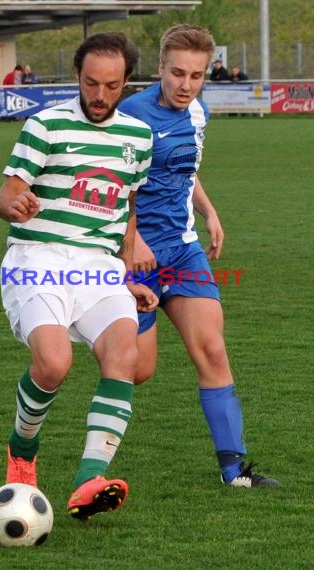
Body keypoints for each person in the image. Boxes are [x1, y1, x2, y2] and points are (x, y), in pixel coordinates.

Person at [0, 31, 158, 521]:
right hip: (37, 257)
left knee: (123, 353)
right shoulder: (45, 124)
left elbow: (127, 208)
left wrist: (127, 270)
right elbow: (6, 193)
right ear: (78, 77)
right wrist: (12, 205)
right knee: (53, 364)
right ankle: (23, 449)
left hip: (100, 269)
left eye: (111, 85)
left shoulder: (138, 137)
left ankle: (90, 479)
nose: (100, 95)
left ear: (127, 82)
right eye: (91, 83)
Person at [118, 24, 279, 488]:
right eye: (177, 74)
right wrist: (133, 242)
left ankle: (235, 472)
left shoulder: (198, 113)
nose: (185, 85)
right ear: (160, 69)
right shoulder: (131, 115)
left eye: (196, 75)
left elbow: (185, 172)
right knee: (138, 371)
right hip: (136, 260)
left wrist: (209, 211)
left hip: (184, 252)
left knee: (212, 350)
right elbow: (113, 186)